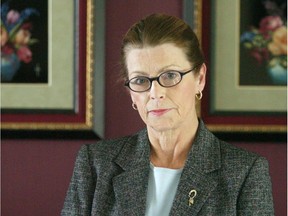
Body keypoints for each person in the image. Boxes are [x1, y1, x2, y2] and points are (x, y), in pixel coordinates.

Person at [62, 14, 274, 215]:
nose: (156, 93)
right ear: (130, 92)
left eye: (170, 76)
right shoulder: (95, 165)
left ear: (200, 78)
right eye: (140, 80)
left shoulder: (245, 173)